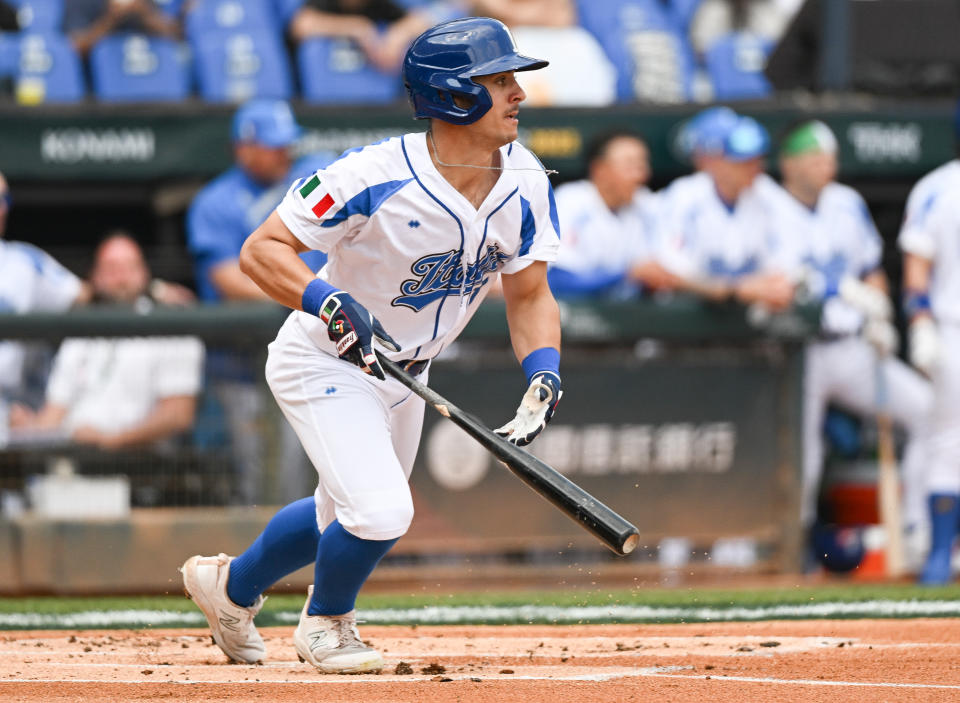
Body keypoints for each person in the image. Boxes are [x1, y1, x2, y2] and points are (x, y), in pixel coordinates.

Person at [181, 17, 562, 674]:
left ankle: (231, 588)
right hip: (326, 356)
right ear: (451, 94)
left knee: (343, 510)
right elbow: (260, 251)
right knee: (382, 509)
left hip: (409, 373)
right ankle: (326, 624)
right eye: (499, 81)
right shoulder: (372, 174)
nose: (517, 95)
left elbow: (529, 294)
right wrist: (323, 299)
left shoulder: (524, 178)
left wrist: (544, 372)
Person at [771, 120, 933, 560]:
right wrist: (838, 289)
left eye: (831, 159)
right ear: (790, 163)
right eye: (816, 158)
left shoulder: (847, 202)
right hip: (795, 354)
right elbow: (781, 278)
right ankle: (792, 548)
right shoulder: (766, 203)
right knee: (802, 455)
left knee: (927, 410)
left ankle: (919, 531)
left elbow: (870, 267)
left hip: (849, 347)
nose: (827, 167)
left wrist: (879, 313)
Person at [187, 98, 332, 505]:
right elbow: (226, 278)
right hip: (244, 363)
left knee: (322, 462)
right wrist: (307, 294)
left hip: (319, 348)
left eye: (288, 142)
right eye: (273, 144)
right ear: (244, 147)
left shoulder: (309, 177)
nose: (285, 151)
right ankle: (266, 552)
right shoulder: (216, 201)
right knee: (267, 470)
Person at [9, 233, 204, 449]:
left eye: (129, 267)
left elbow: (178, 415)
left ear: (144, 273)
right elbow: (54, 415)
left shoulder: (172, 325)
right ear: (95, 277)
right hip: (72, 461)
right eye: (111, 269)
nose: (120, 278)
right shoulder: (80, 336)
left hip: (142, 465)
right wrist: (30, 427)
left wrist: (110, 441)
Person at [897, 101, 960, 584]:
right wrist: (919, 322)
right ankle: (939, 553)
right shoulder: (939, 187)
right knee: (947, 441)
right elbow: (916, 267)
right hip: (952, 328)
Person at [655, 112, 796, 311]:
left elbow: (786, 264)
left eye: (757, 160)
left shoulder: (768, 193)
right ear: (711, 161)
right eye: (743, 162)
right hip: (686, 321)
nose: (756, 168)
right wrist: (734, 290)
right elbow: (666, 270)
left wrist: (772, 287)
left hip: (749, 327)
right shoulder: (683, 195)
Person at [0, 169, 91, 429]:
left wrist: (153, 290)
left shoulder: (22, 262)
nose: (2, 210)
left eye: (4, 200)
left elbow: (86, 297)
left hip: (12, 415)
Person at [549, 130, 679, 299]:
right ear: (600, 169)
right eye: (630, 166)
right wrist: (627, 275)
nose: (641, 175)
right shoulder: (571, 200)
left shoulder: (645, 203)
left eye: (642, 165)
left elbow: (668, 270)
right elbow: (556, 280)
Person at [287, 0, 463, 73]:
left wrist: (398, 35)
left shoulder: (379, 4)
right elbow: (300, 26)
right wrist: (357, 28)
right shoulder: (324, 3)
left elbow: (420, 19)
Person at [64, 0, 181, 55]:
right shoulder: (81, 2)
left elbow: (175, 37)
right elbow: (75, 48)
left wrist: (144, 13)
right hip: (94, 94)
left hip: (145, 78)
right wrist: (111, 19)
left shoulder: (143, 4)